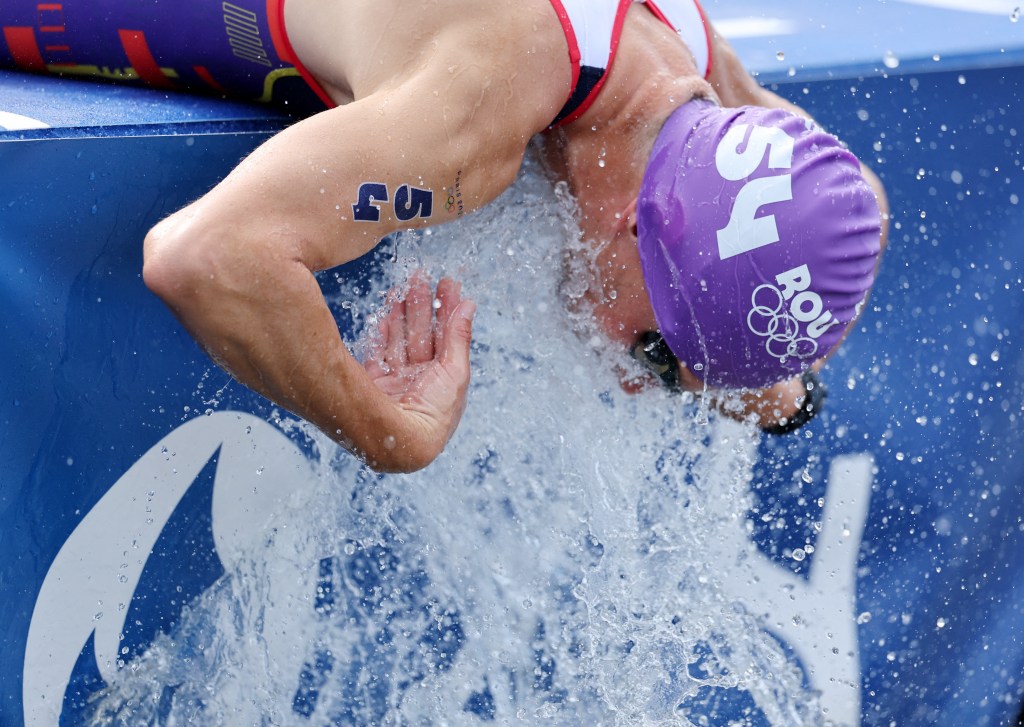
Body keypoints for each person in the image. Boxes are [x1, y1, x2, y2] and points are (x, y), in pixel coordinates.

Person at [1, 0, 888, 472]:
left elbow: (853, 196)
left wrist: (761, 372)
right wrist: (387, 432)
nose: (629, 375)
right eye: (654, 353)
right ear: (638, 222)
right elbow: (207, 256)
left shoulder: (681, 51)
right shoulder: (477, 121)